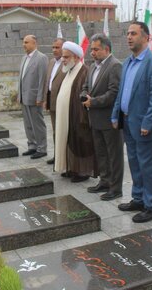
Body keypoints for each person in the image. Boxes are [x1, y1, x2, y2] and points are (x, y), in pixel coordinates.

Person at [111, 21, 152, 223]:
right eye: (127, 33)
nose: (129, 37)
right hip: (128, 122)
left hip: (145, 127)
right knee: (134, 163)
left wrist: (148, 122)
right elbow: (122, 92)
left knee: (147, 166)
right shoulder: (127, 62)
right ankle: (138, 199)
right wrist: (116, 114)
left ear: (146, 37)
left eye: (133, 33)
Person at [81, 33, 124, 201]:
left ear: (106, 49)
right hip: (95, 119)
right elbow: (86, 86)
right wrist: (84, 96)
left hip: (109, 119)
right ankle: (104, 181)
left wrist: (94, 102)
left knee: (114, 155)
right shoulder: (92, 66)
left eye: (96, 49)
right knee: (101, 153)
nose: (92, 53)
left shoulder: (115, 66)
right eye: (91, 49)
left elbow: (114, 93)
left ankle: (116, 188)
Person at [54, 41, 97, 183]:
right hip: (66, 116)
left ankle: (82, 171)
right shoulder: (69, 70)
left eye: (66, 57)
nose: (63, 60)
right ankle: (71, 167)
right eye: (63, 57)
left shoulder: (83, 71)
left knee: (80, 144)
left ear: (76, 58)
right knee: (68, 141)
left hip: (78, 117)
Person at [18, 35, 49, 159]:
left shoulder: (41, 58)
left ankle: (42, 148)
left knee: (38, 124)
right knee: (28, 124)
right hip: (24, 97)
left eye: (26, 42)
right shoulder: (24, 58)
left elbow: (43, 79)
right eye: (23, 42)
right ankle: (32, 146)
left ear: (34, 43)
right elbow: (21, 78)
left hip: (35, 97)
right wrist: (19, 94)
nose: (23, 44)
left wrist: (40, 97)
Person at [43, 38, 66, 165]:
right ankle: (57, 156)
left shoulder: (66, 63)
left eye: (57, 47)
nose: (54, 50)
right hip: (51, 100)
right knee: (55, 130)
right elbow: (48, 81)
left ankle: (64, 156)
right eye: (53, 47)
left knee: (63, 130)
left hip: (62, 102)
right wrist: (45, 99)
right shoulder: (51, 62)